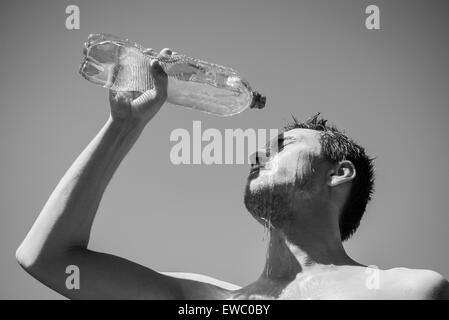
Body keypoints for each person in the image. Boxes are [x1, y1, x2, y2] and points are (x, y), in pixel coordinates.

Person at [16, 49, 449, 300]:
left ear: (339, 173)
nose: (259, 154)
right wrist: (124, 125)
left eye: (283, 146)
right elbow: (48, 260)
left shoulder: (405, 290)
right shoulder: (220, 304)